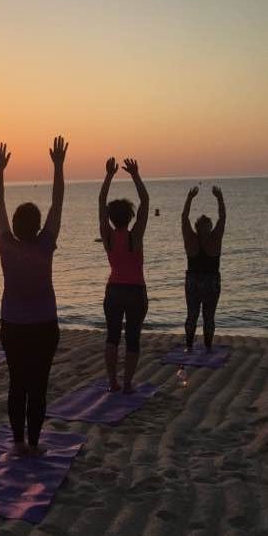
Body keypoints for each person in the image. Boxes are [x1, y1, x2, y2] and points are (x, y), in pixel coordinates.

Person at [0, 136, 67, 457]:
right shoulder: (45, 243)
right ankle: (33, 444)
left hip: (13, 326)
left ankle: (19, 442)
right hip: (43, 327)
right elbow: (58, 202)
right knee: (38, 385)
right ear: (38, 226)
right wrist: (58, 165)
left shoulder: (7, 245)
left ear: (15, 225)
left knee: (17, 384)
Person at [98, 157, 149, 393]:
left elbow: (100, 202)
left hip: (114, 290)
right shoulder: (134, 237)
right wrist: (135, 175)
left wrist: (109, 175)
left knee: (112, 337)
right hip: (135, 291)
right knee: (132, 338)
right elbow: (146, 201)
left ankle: (112, 383)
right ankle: (127, 384)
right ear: (129, 217)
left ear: (111, 218)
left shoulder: (107, 236)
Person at [181, 185, 226, 352]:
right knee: (207, 316)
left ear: (197, 228)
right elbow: (222, 219)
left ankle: (190, 345)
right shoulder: (214, 240)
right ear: (207, 228)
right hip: (210, 282)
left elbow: (184, 218)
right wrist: (219, 198)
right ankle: (205, 346)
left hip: (195, 281)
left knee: (194, 315)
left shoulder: (191, 240)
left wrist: (190, 198)